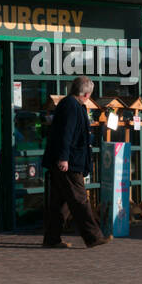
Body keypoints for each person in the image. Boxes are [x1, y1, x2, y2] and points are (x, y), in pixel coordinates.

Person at [41, 76, 109, 249]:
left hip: (67, 161)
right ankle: (93, 237)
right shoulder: (71, 106)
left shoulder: (72, 104)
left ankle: (52, 238)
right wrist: (63, 158)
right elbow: (66, 134)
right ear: (86, 94)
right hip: (69, 163)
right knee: (80, 200)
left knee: (60, 203)